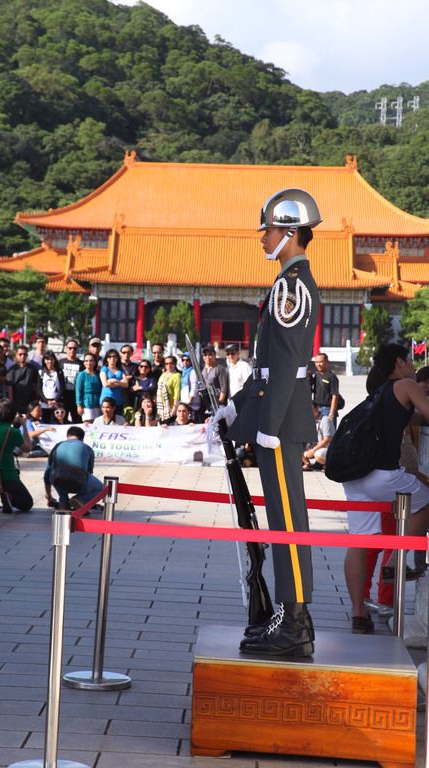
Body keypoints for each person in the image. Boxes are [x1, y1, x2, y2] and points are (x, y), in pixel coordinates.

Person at [215, 188, 322, 657]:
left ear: (291, 233)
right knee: (280, 519)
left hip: (281, 422)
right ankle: (288, 612)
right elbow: (266, 368)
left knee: (287, 524)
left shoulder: (292, 285)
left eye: (270, 230)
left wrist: (270, 425)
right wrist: (239, 405)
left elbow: (285, 364)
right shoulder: (285, 281)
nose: (263, 238)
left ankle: (294, 624)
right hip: (273, 414)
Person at [343, 344, 429, 634]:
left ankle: (358, 613)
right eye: (411, 361)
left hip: (355, 475)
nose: (415, 367)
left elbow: (412, 418)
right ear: (399, 362)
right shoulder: (405, 385)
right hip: (382, 473)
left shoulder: (378, 392)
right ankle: (395, 556)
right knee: (425, 502)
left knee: (359, 542)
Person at [0, 398, 33, 513]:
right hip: (7, 476)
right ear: (12, 415)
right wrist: (24, 425)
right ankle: (8, 497)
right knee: (27, 503)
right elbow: (28, 448)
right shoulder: (12, 432)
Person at [44, 426, 103, 511]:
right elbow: (89, 472)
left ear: (67, 436)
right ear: (82, 439)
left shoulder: (57, 446)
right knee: (101, 488)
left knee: (58, 474)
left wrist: (49, 496)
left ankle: (63, 502)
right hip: (78, 479)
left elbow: (47, 473)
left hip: (58, 479)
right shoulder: (87, 448)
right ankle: (80, 499)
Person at [6, 345, 39, 415]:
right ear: (16, 355)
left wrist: (36, 401)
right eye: (20, 354)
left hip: (30, 403)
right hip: (16, 402)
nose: (23, 356)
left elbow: (36, 386)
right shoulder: (12, 370)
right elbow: (10, 388)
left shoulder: (33, 369)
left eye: (24, 354)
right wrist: (11, 403)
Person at [302, 402, 335, 471]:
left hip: (327, 448)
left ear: (317, 408)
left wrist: (313, 450)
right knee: (296, 448)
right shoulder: (308, 421)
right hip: (315, 446)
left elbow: (327, 440)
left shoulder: (325, 420)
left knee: (318, 454)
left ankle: (329, 465)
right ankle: (308, 464)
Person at [59, 339, 83, 423]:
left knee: (77, 421)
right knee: (63, 421)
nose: (72, 350)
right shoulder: (60, 363)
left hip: (76, 397)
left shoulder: (81, 363)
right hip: (63, 397)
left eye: (74, 348)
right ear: (66, 349)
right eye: (70, 348)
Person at [312, 352, 340, 422]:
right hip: (317, 409)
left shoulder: (331, 376)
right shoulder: (316, 375)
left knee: (328, 432)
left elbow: (335, 396)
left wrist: (331, 413)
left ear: (327, 362)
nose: (318, 364)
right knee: (318, 432)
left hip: (327, 409)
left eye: (321, 362)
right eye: (316, 362)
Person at [201, 345, 229, 415]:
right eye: (205, 355)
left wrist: (219, 403)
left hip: (217, 404)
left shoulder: (219, 368)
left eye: (210, 354)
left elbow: (223, 388)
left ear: (214, 355)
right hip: (206, 404)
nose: (207, 357)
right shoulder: (202, 370)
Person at [38, 351, 65, 423]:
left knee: (57, 422)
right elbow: (39, 389)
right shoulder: (41, 372)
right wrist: (47, 401)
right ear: (44, 361)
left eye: (51, 359)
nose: (49, 361)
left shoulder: (59, 372)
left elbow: (62, 387)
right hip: (45, 403)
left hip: (56, 403)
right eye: (47, 359)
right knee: (45, 421)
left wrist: (55, 400)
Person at [99, 348, 128, 414]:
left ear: (117, 358)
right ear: (107, 358)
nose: (112, 358)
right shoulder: (104, 369)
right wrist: (120, 383)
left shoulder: (121, 370)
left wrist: (115, 380)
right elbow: (105, 384)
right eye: (110, 356)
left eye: (114, 356)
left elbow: (126, 384)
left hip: (118, 401)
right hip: (106, 401)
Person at [76, 352, 102, 423]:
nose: (89, 363)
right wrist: (79, 405)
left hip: (98, 403)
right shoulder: (81, 374)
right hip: (86, 404)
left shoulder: (98, 374)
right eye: (86, 361)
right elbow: (78, 391)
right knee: (88, 425)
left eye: (91, 360)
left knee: (98, 424)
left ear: (94, 362)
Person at [156, 355, 181, 424]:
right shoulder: (163, 374)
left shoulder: (177, 375)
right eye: (166, 363)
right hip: (161, 407)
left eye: (171, 363)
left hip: (171, 407)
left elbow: (177, 393)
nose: (169, 365)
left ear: (175, 364)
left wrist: (175, 407)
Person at [180, 352, 202, 422]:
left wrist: (189, 400)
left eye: (187, 360)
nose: (185, 362)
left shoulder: (193, 371)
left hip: (191, 404)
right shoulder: (184, 371)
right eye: (183, 360)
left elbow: (194, 387)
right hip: (185, 402)